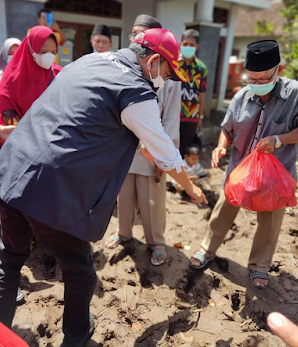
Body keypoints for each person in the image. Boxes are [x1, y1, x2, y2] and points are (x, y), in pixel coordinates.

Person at [0, 27, 207, 346]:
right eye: (166, 71)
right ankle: (77, 336)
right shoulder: (136, 90)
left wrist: (142, 146)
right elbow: (167, 154)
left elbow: (87, 119)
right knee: (80, 270)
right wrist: (191, 189)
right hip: (52, 188)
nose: (164, 80)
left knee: (10, 258)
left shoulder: (87, 61)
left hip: (11, 171)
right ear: (153, 61)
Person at [190, 40, 298, 289]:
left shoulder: (295, 95)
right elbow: (227, 129)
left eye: (263, 79)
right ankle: (206, 250)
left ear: (278, 71)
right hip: (240, 169)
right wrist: (221, 146)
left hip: (276, 172)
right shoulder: (241, 96)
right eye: (252, 79)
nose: (257, 85)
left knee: (270, 220)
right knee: (222, 211)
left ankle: (259, 266)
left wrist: (279, 140)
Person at [105, 14, 182, 266]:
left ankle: (156, 242)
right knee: (123, 196)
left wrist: (163, 153)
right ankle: (124, 233)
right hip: (127, 147)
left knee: (152, 201)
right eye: (133, 33)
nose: (136, 37)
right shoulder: (125, 69)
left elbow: (170, 120)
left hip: (154, 149)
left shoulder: (168, 77)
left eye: (142, 33)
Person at [0, 26, 61, 128]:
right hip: (19, 137)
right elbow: (5, 105)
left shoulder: (59, 74)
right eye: (44, 52)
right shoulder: (11, 78)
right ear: (30, 49)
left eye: (53, 52)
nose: (49, 56)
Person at [179, 29, 208, 156]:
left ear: (197, 46)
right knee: (170, 148)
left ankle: (180, 175)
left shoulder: (201, 68)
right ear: (180, 44)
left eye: (191, 45)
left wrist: (200, 117)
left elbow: (202, 93)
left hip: (192, 117)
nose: (188, 47)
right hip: (174, 115)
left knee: (186, 150)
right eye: (185, 44)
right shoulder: (174, 64)